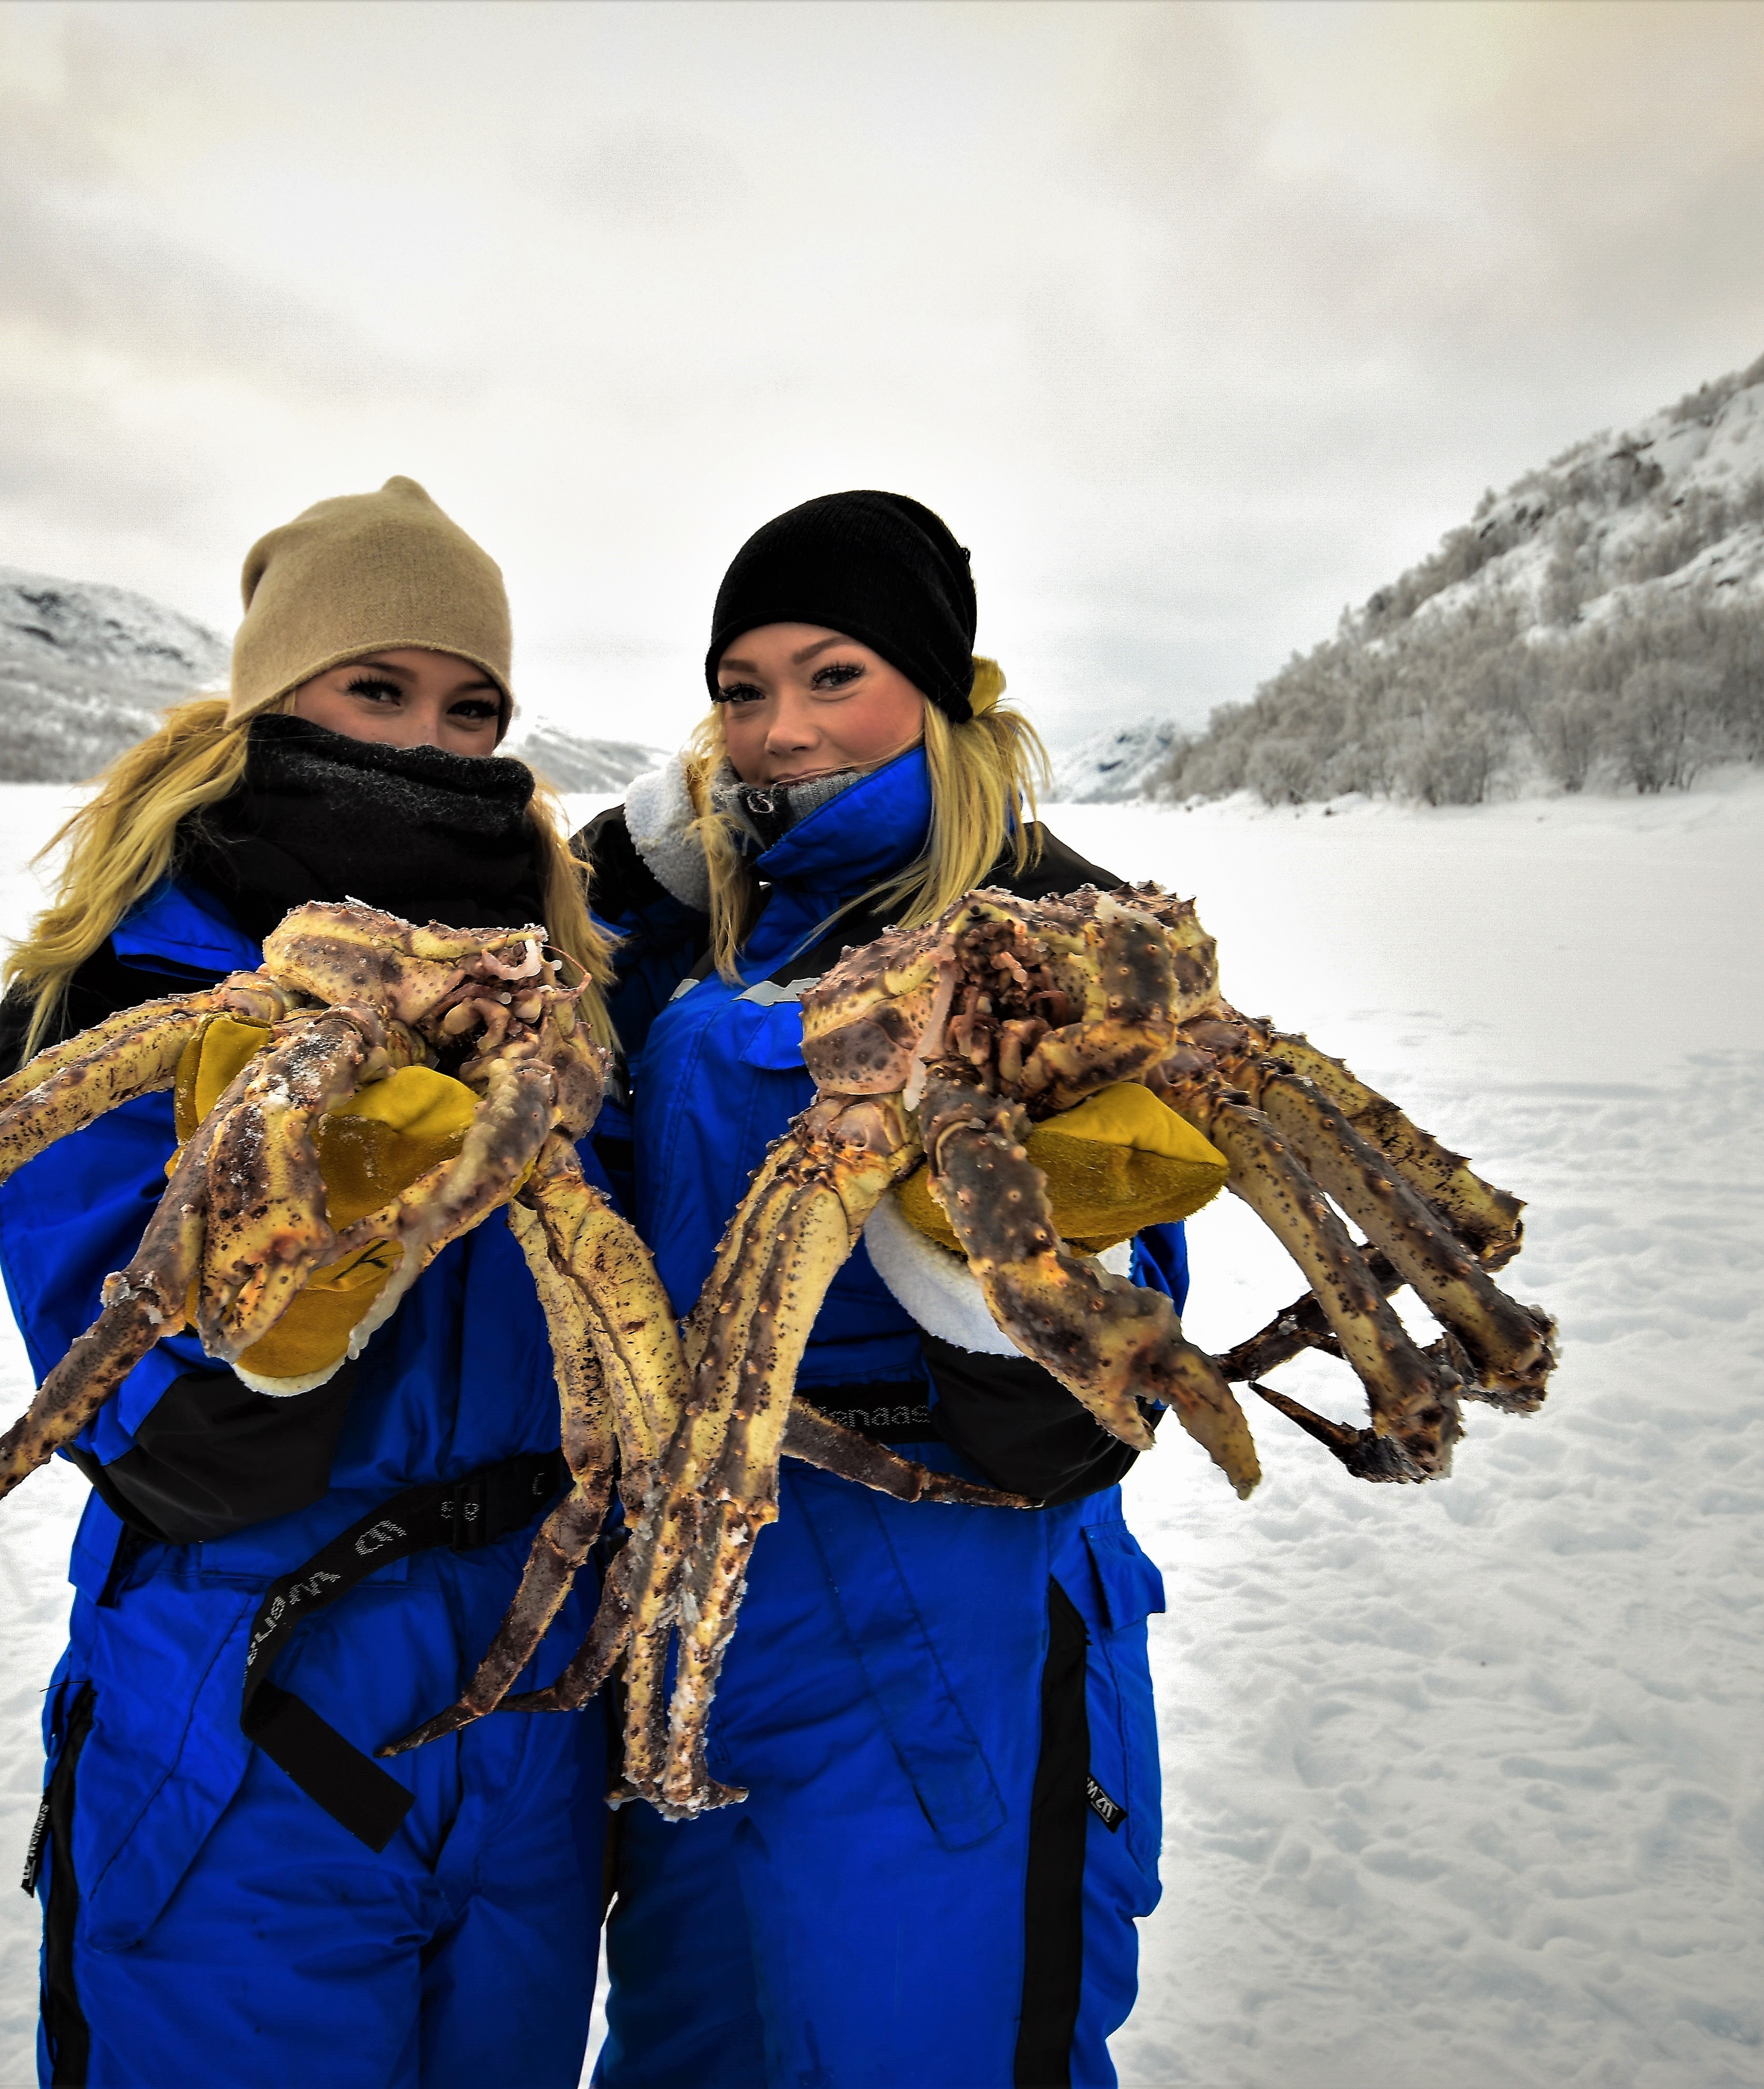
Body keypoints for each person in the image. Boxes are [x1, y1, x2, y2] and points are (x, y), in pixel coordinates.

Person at [0, 478, 615, 2089]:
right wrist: (288, 1295)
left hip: (524, 1730)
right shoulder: (127, 992)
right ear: (274, 699)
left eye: (472, 709)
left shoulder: (557, 994)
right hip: (247, 1710)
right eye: (376, 690)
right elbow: (157, 1443)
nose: (431, 745)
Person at [577, 491, 1183, 2088]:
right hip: (703, 1632)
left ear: (938, 684)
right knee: (689, 2061)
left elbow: (1106, 1396)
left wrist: (997, 1265)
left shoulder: (1049, 932)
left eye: (833, 674)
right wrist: (614, 864)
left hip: (949, 1646)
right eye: (742, 688)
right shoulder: (710, 924)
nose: (782, 729)